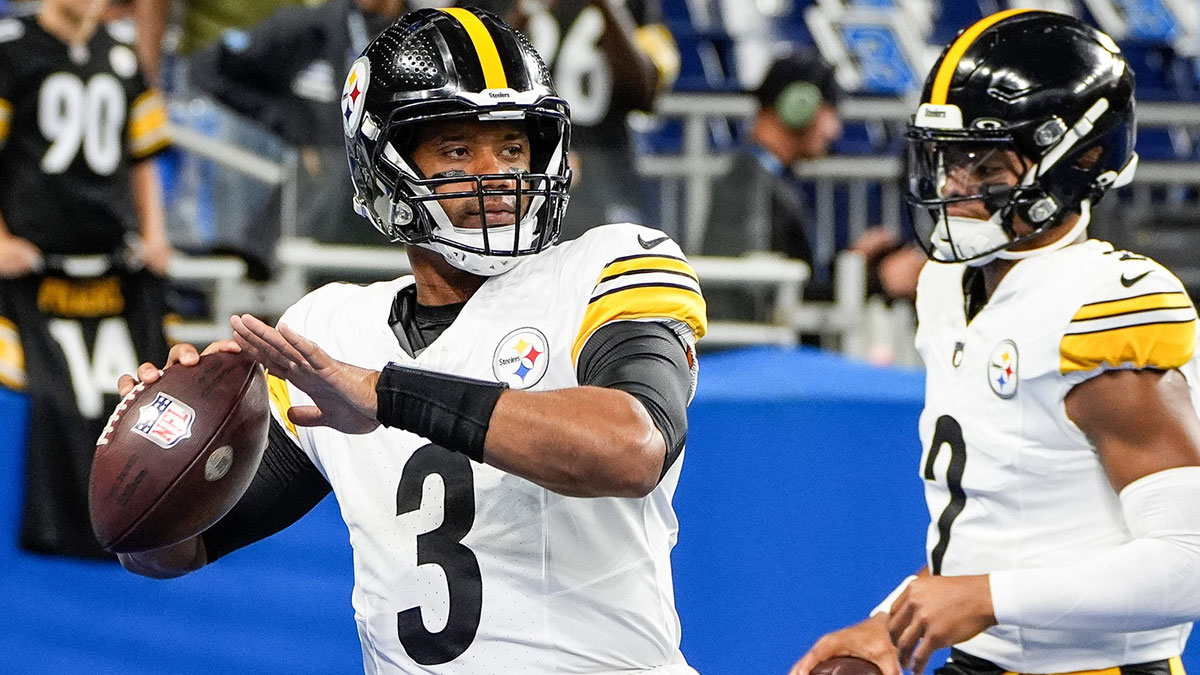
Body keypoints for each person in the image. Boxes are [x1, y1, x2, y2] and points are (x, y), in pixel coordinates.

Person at [116, 8, 706, 673]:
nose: (498, 176)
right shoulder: (332, 328)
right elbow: (167, 553)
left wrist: (385, 392)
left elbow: (631, 449)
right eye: (458, 149)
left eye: (512, 147)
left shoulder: (611, 264)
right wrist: (162, 450)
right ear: (384, 164)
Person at [791, 10, 1200, 675]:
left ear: (1081, 160)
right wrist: (889, 624)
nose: (954, 186)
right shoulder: (948, 288)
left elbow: (1191, 561)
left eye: (985, 163)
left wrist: (988, 597)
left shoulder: (1103, 302)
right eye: (948, 159)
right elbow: (1004, 528)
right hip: (981, 660)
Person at [0, 0, 173, 558]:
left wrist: (155, 233)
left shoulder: (119, 53)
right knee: (43, 394)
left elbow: (143, 154)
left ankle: (132, 520)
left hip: (111, 272)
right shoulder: (10, 50)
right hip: (30, 270)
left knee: (130, 395)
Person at [701, 50, 925, 320]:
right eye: (830, 112)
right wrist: (877, 281)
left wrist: (852, 265)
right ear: (797, 105)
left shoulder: (763, 178)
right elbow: (756, 293)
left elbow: (791, 281)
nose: (835, 130)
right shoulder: (749, 183)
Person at [187, 0, 405, 246]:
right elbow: (208, 68)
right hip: (310, 206)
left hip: (390, 200)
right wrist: (291, 124)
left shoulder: (421, 34)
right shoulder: (308, 26)